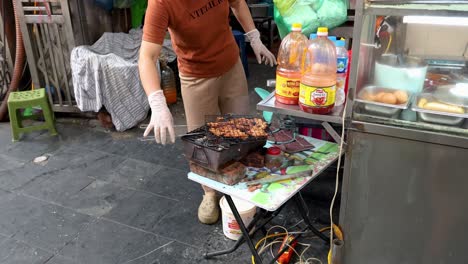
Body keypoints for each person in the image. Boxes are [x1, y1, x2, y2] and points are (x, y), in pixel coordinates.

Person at [139, 0, 276, 224]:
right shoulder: (161, 3)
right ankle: (210, 193)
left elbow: (238, 4)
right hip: (195, 75)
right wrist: (157, 101)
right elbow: (147, 56)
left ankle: (241, 185)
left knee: (240, 131)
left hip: (230, 64)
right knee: (204, 143)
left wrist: (254, 38)